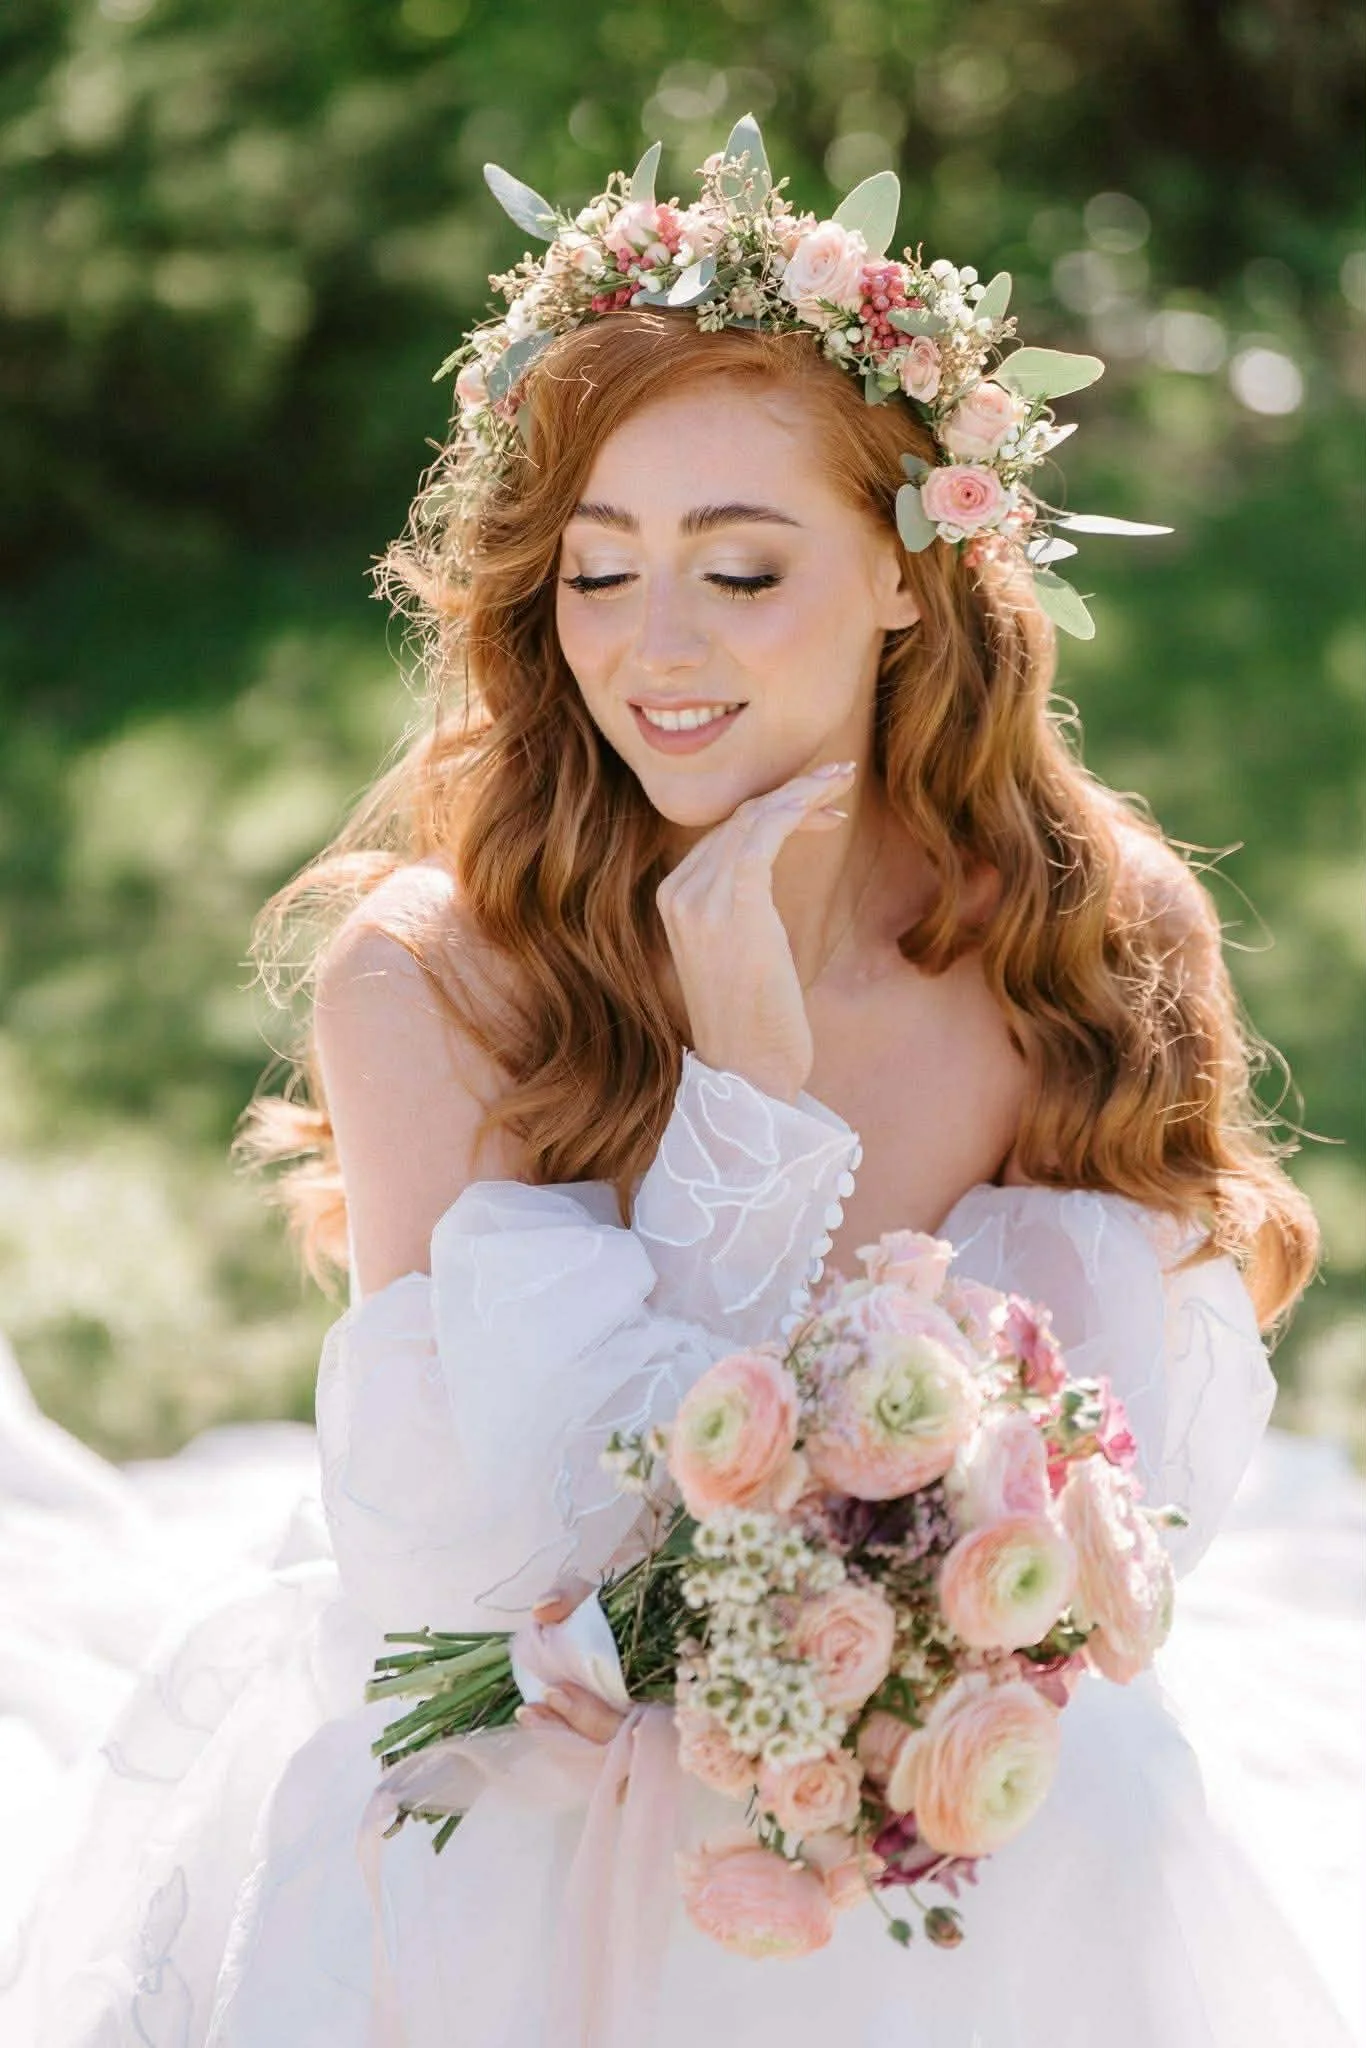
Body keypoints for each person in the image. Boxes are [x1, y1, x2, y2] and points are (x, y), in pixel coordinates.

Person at [0, 124, 1356, 2047]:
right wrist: (743, 1084)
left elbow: (1120, 1489)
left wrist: (916, 1640)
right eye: (597, 572)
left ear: (909, 571)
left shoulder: (1084, 927)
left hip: (928, 1750)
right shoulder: (433, 972)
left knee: (1094, 1807)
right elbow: (517, 1561)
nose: (654, 651)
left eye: (738, 569)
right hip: (521, 1736)